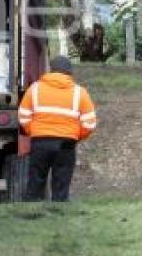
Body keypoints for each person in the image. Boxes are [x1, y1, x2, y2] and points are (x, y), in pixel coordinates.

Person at [18, 56, 96, 202]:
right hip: (66, 143)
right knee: (61, 182)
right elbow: (89, 124)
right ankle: (59, 216)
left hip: (40, 141)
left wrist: (34, 131)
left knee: (36, 181)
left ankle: (31, 214)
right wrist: (74, 136)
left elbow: (23, 116)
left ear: (51, 70)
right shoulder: (80, 93)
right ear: (69, 73)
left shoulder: (34, 89)